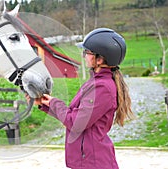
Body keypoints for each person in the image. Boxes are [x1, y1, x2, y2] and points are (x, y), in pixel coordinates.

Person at [26, 28, 134, 169]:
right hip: (87, 161)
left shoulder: (102, 88)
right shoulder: (95, 82)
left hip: (94, 163)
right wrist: (45, 104)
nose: (83, 56)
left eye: (86, 52)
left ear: (100, 59)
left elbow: (76, 123)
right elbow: (72, 115)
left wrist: (54, 102)